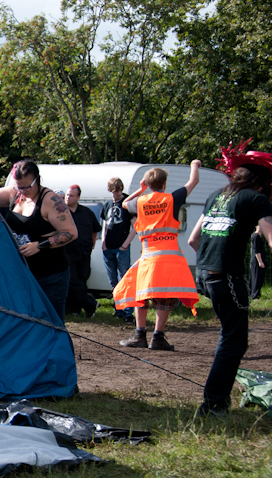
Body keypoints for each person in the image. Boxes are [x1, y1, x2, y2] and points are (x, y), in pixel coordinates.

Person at [189, 147, 272, 417]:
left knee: (230, 337)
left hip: (207, 275)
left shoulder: (215, 196)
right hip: (228, 277)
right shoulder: (256, 199)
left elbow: (193, 239)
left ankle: (215, 400)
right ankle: (213, 403)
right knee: (233, 341)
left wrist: (209, 263)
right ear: (261, 181)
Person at [0, 161, 77, 320]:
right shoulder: (13, 194)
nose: (23, 191)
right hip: (23, 273)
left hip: (51, 275)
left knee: (52, 322)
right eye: (19, 186)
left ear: (37, 180)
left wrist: (40, 245)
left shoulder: (51, 201)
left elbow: (71, 232)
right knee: (26, 320)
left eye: (26, 187)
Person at [114, 161, 201, 351]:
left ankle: (139, 334)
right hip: (171, 257)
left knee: (141, 294)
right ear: (164, 183)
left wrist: (140, 189)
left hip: (148, 256)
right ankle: (158, 337)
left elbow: (125, 204)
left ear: (148, 183)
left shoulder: (140, 201)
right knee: (165, 297)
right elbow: (194, 180)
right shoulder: (172, 198)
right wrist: (195, 164)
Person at [101, 177, 137, 322]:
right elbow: (105, 223)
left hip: (121, 248)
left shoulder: (127, 203)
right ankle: (119, 309)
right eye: (112, 192)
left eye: (116, 191)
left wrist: (126, 244)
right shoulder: (108, 204)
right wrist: (103, 241)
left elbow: (136, 226)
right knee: (113, 281)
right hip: (108, 246)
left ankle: (128, 312)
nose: (114, 195)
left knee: (125, 279)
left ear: (121, 189)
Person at [64, 185, 101, 317]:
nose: (68, 198)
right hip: (67, 253)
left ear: (78, 197)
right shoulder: (61, 212)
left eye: (71, 195)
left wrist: (92, 244)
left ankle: (77, 309)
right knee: (72, 281)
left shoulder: (86, 212)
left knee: (81, 281)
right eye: (67, 195)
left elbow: (96, 229)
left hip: (84, 253)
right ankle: (90, 303)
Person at [250, 224, 266, 300]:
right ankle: (254, 295)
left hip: (259, 260)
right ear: (256, 226)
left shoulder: (259, 237)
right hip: (257, 261)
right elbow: (256, 250)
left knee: (259, 277)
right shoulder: (256, 236)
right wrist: (260, 262)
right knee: (256, 277)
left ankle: (256, 294)